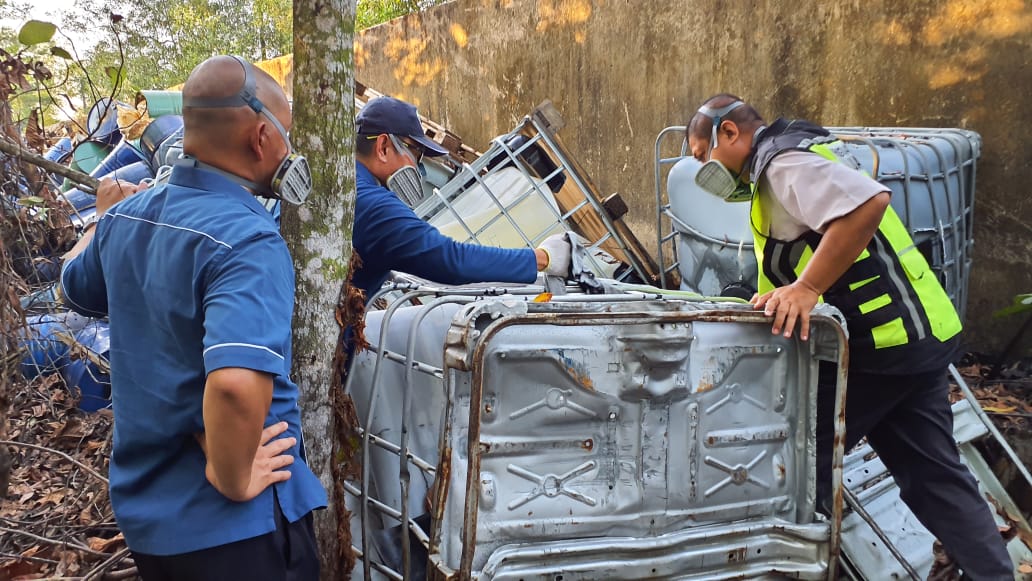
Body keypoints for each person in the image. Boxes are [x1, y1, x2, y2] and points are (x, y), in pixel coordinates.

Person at [685, 94, 1013, 579]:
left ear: (730, 133)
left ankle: (792, 568)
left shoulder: (782, 163)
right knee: (933, 477)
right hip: (914, 339)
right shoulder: (788, 161)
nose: (702, 168)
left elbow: (868, 204)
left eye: (701, 154)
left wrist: (807, 288)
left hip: (877, 348)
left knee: (792, 466)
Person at [60, 55, 326, 580]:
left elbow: (75, 288)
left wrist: (101, 219)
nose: (287, 150)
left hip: (151, 520)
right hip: (235, 530)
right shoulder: (248, 240)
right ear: (260, 138)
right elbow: (232, 386)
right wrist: (233, 477)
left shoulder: (126, 219)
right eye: (286, 135)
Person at [351, 96, 571, 303]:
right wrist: (543, 259)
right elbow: (451, 260)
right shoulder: (374, 205)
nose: (419, 170)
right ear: (383, 147)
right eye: (416, 154)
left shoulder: (348, 187)